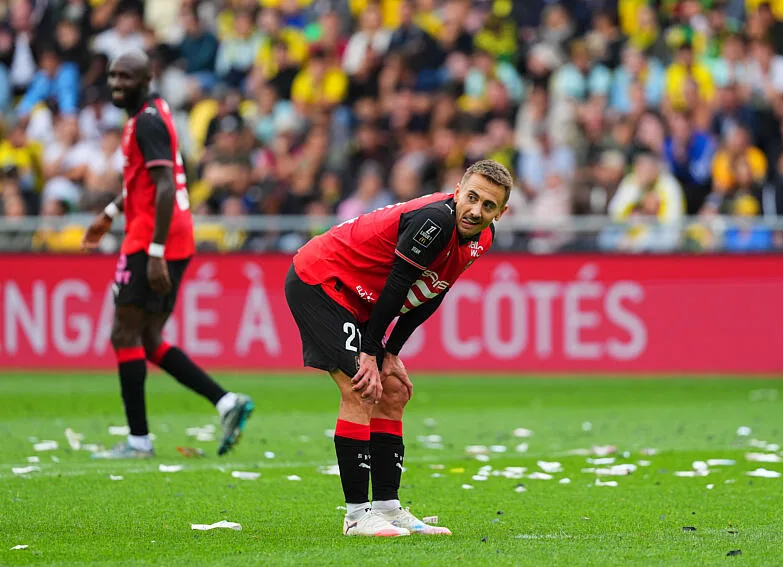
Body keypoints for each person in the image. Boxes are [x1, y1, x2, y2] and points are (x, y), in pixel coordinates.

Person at [285, 159, 512, 537]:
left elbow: (432, 292)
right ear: (457, 191)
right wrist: (372, 352)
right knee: (361, 387)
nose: (476, 210)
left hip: (358, 299)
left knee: (391, 391)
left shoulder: (481, 239)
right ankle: (356, 516)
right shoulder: (434, 221)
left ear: (501, 213)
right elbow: (398, 285)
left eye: (488, 206)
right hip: (322, 280)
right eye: (472, 198)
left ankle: (387, 508)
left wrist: (389, 353)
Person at [80, 51, 253, 459]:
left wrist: (155, 252)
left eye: (126, 77)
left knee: (124, 334)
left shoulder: (147, 121)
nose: (116, 83)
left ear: (146, 80)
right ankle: (227, 402)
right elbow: (149, 179)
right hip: (171, 236)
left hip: (151, 240)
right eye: (113, 76)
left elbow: (164, 187)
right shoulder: (155, 112)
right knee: (149, 337)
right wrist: (110, 213)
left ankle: (138, 441)